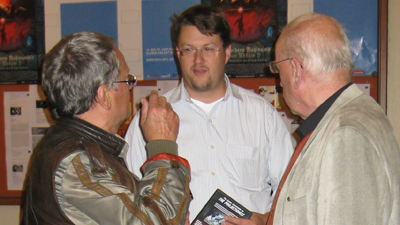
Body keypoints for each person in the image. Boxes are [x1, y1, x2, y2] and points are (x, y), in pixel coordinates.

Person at [124, 5, 293, 224]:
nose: (198, 60)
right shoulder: (150, 119)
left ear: (227, 52)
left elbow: (291, 190)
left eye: (209, 49)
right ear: (178, 53)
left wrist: (266, 220)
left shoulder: (262, 116)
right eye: (188, 49)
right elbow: (128, 196)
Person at [21, 32, 192, 224]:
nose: (130, 89)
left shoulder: (81, 148)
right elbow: (152, 221)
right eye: (127, 81)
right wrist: (163, 146)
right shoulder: (76, 161)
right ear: (104, 96)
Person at [248, 13, 399, 225]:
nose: (279, 81)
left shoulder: (345, 134)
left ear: (295, 69)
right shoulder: (346, 119)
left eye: (277, 68)